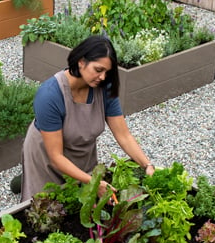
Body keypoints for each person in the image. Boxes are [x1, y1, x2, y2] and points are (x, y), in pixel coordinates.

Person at [16, 35, 155, 201]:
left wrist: (147, 165)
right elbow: (56, 156)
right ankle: (22, 180)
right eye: (98, 70)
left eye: (107, 72)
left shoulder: (104, 88)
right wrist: (94, 183)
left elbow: (124, 135)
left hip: (81, 155)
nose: (103, 77)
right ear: (81, 62)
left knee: (81, 200)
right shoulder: (50, 95)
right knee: (47, 202)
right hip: (47, 158)